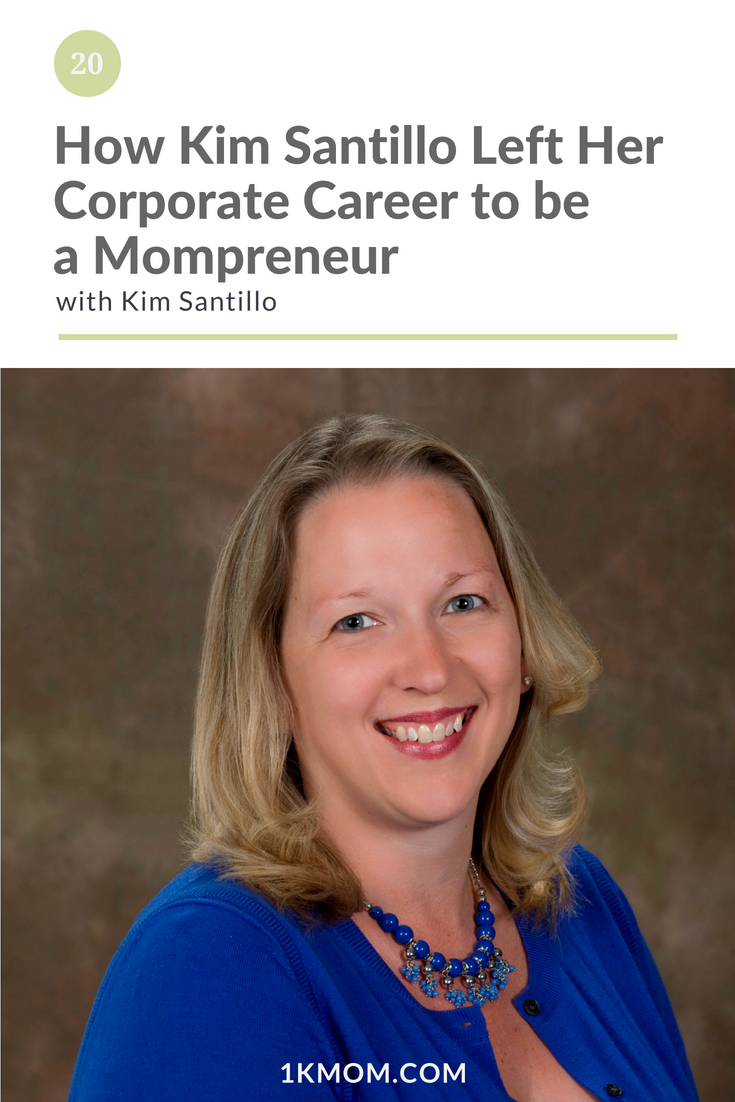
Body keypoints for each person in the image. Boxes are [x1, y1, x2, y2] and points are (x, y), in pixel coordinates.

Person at [69, 414, 699, 1101]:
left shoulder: (579, 901)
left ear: (521, 641)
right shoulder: (206, 967)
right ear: (272, 681)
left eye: (463, 602)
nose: (430, 669)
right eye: (357, 622)